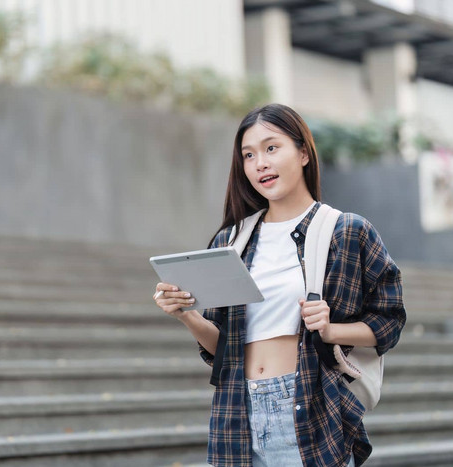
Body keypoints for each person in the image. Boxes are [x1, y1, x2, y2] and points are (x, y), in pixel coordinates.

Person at [153, 103, 406, 466]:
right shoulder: (231, 241)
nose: (260, 163)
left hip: (310, 410)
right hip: (237, 413)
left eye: (272, 148)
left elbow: (390, 322)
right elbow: (222, 351)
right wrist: (186, 315)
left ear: (303, 152)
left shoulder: (346, 231)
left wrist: (331, 329)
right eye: (249, 155)